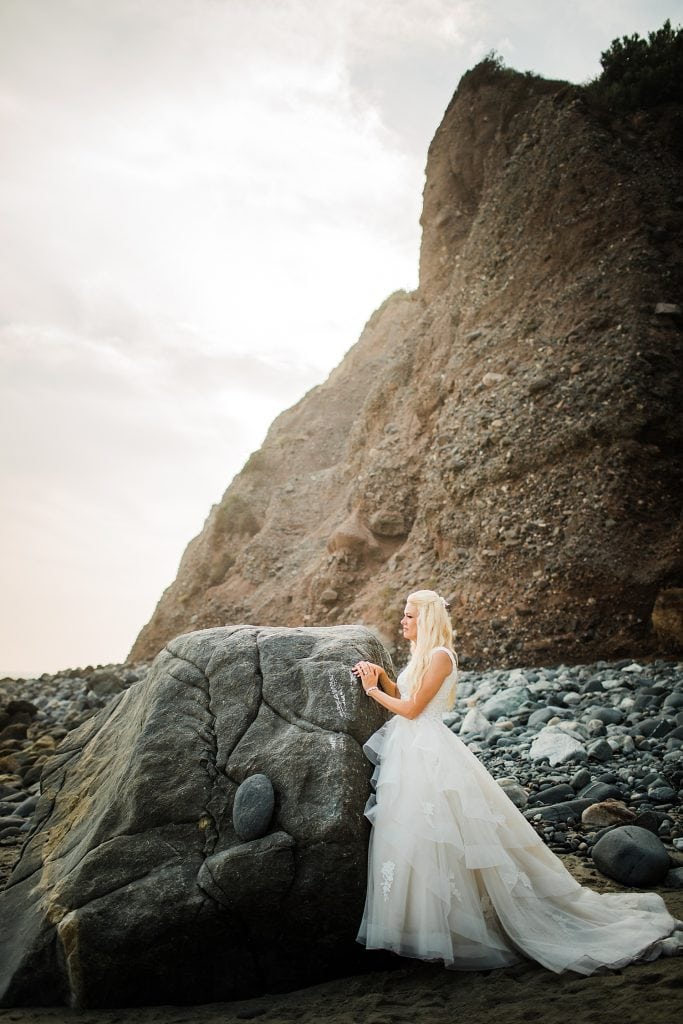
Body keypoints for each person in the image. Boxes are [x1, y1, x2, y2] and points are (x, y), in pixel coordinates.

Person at [351, 588, 683, 975]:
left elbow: (410, 710)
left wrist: (372, 691)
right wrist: (383, 680)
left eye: (409, 616)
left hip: (428, 753)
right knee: (414, 837)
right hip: (412, 752)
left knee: (439, 838)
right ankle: (425, 930)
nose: (402, 621)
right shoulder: (422, 656)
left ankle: (455, 931)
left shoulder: (441, 656)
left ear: (424, 619)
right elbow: (406, 695)